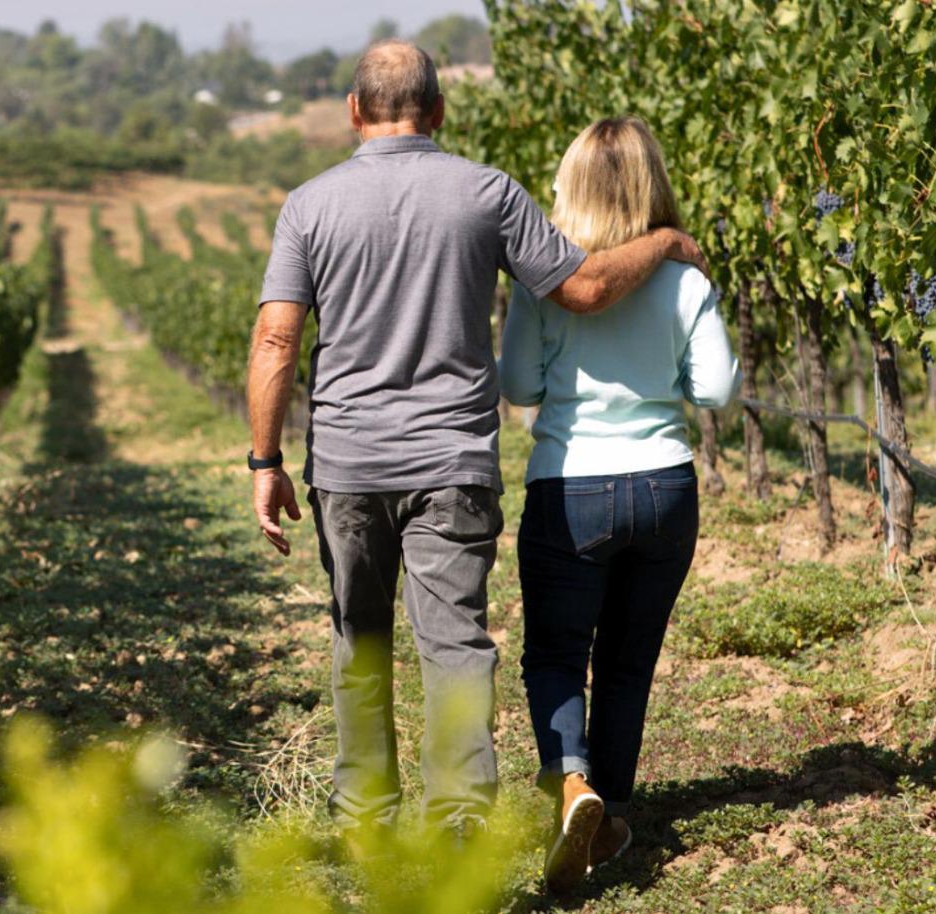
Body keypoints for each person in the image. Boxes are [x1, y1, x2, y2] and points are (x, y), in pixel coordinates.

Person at [244, 41, 709, 841]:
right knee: (455, 639)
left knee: (359, 637)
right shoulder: (485, 192)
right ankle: (459, 821)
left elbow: (277, 339)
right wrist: (666, 242)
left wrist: (265, 460)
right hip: (452, 462)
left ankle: (364, 819)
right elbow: (586, 287)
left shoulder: (308, 206)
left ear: (354, 112)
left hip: (348, 464)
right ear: (438, 110)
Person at [499, 117, 739, 891]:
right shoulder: (685, 279)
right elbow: (717, 390)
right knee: (629, 659)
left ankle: (575, 785)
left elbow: (518, 386)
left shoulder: (545, 282)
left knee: (556, 652)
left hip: (570, 485)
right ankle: (613, 809)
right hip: (666, 486)